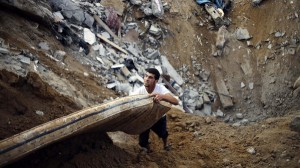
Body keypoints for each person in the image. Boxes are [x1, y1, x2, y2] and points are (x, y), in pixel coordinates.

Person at [130, 68, 179, 152]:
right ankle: (146, 148)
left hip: (158, 117)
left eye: (150, 77)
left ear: (156, 81)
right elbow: (130, 101)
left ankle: (165, 145)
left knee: (163, 134)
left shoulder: (160, 88)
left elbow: (176, 101)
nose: (147, 79)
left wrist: (162, 96)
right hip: (145, 118)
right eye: (146, 76)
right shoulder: (140, 91)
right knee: (142, 141)